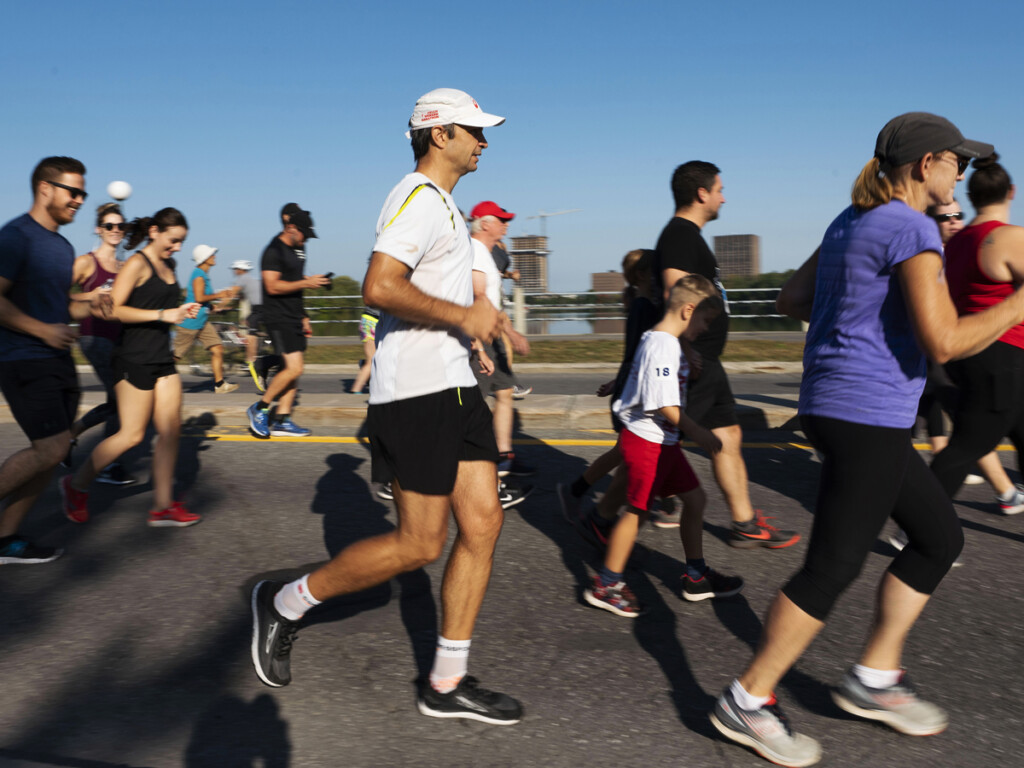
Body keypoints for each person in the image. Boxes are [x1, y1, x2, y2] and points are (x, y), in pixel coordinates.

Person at [709, 113, 1014, 767]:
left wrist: (861, 314)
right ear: (925, 163)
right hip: (864, 413)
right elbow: (946, 342)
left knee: (939, 538)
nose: (963, 171)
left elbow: (793, 297)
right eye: (956, 160)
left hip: (841, 406)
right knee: (833, 566)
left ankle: (874, 679)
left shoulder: (852, 220)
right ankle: (749, 697)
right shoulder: (910, 225)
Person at [250, 87, 522, 725]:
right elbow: (380, 285)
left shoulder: (448, 209)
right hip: (416, 395)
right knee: (420, 545)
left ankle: (447, 683)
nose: (485, 141)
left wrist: (474, 338)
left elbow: (439, 295)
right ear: (438, 135)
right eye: (473, 131)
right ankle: (283, 604)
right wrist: (466, 315)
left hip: (456, 387)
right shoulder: (416, 198)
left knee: (483, 525)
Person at [654, 161, 799, 550]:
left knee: (727, 436)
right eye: (719, 188)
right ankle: (601, 507)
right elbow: (675, 294)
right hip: (695, 359)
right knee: (657, 440)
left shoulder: (691, 237)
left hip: (706, 359)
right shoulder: (681, 237)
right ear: (701, 193)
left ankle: (744, 523)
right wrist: (685, 348)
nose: (723, 196)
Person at [584, 275, 743, 616]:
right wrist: (698, 431)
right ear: (688, 310)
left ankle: (696, 576)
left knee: (696, 499)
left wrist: (689, 359)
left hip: (663, 442)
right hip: (648, 441)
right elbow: (663, 405)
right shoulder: (662, 345)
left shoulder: (668, 341)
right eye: (705, 320)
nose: (704, 329)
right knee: (637, 511)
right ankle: (607, 584)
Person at [60, 208, 201, 528]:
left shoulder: (170, 264)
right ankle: (76, 486)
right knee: (132, 435)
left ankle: (162, 506)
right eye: (174, 240)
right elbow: (115, 311)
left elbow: (159, 304)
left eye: (182, 242)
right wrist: (164, 316)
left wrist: (181, 309)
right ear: (154, 232)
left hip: (161, 357)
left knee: (170, 431)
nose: (178, 247)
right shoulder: (137, 263)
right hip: (132, 358)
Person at [0, 156, 109, 564]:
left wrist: (89, 304)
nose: (80, 200)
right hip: (23, 358)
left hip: (58, 359)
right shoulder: (16, 237)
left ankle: (5, 538)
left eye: (83, 192)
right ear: (45, 188)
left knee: (55, 452)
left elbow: (59, 306)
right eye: (73, 191)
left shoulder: (62, 247)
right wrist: (43, 330)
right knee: (49, 449)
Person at [929, 154, 1024, 513]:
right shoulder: (1009, 238)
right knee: (966, 446)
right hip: (1002, 355)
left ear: (971, 196)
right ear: (1011, 192)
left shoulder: (956, 243)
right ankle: (914, 529)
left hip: (968, 353)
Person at [558, 249, 665, 541]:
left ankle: (584, 496)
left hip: (630, 387)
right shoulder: (644, 307)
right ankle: (596, 506)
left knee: (628, 451)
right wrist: (620, 384)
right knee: (632, 451)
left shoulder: (645, 305)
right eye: (657, 270)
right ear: (643, 275)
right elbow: (637, 355)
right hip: (636, 392)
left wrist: (616, 382)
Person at [66, 202, 136, 485]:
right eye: (109, 226)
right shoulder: (86, 262)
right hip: (94, 338)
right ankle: (107, 464)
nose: (115, 230)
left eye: (120, 226)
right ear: (98, 229)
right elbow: (58, 293)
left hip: (120, 340)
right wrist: (90, 295)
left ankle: (71, 435)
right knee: (122, 400)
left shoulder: (124, 266)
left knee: (117, 400)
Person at [245, 205, 328, 438]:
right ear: (291, 228)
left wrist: (303, 315)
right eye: (304, 234)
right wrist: (306, 283)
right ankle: (259, 408)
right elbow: (272, 286)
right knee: (294, 367)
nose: (306, 240)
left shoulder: (299, 249)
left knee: (292, 370)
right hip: (277, 317)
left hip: (293, 315)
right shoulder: (273, 251)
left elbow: (295, 281)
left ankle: (282, 419)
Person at [468, 200, 533, 478]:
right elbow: (478, 299)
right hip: (477, 339)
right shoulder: (472, 251)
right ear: (484, 223)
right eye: (501, 220)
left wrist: (506, 331)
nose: (506, 225)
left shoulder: (487, 253)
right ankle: (470, 466)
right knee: (473, 405)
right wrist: (508, 333)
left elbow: (493, 300)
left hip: (493, 337)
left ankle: (504, 458)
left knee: (505, 393)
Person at [173, 244, 239, 394]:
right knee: (176, 356)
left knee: (217, 348)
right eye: (211, 254)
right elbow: (199, 297)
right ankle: (154, 378)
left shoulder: (203, 274)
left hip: (202, 322)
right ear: (204, 259)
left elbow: (203, 302)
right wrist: (220, 295)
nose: (214, 256)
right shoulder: (198, 274)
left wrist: (217, 309)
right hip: (190, 322)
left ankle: (220, 384)